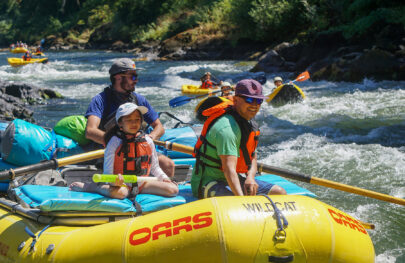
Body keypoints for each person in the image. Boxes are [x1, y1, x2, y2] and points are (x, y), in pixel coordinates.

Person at [191, 79, 286, 198]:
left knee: (279, 193)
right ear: (235, 100)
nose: (254, 105)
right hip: (209, 182)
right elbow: (229, 170)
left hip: (232, 178)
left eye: (259, 100)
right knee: (234, 201)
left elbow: (252, 157)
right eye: (249, 99)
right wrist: (242, 200)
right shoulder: (226, 129)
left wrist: (250, 178)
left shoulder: (247, 123)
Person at [85, 58, 175, 177]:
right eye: (132, 77)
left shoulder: (139, 99)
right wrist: (119, 143)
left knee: (168, 165)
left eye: (136, 76)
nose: (136, 80)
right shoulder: (100, 100)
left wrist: (150, 138)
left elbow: (159, 127)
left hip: (139, 147)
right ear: (118, 77)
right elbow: (90, 131)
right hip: (113, 150)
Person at [70, 102, 178, 199]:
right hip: (121, 185)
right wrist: (113, 182)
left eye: (137, 120)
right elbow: (108, 172)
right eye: (129, 120)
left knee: (173, 190)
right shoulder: (114, 142)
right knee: (121, 193)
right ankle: (93, 186)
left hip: (142, 183)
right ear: (120, 123)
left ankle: (140, 190)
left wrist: (164, 178)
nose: (134, 123)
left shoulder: (148, 140)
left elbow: (155, 167)